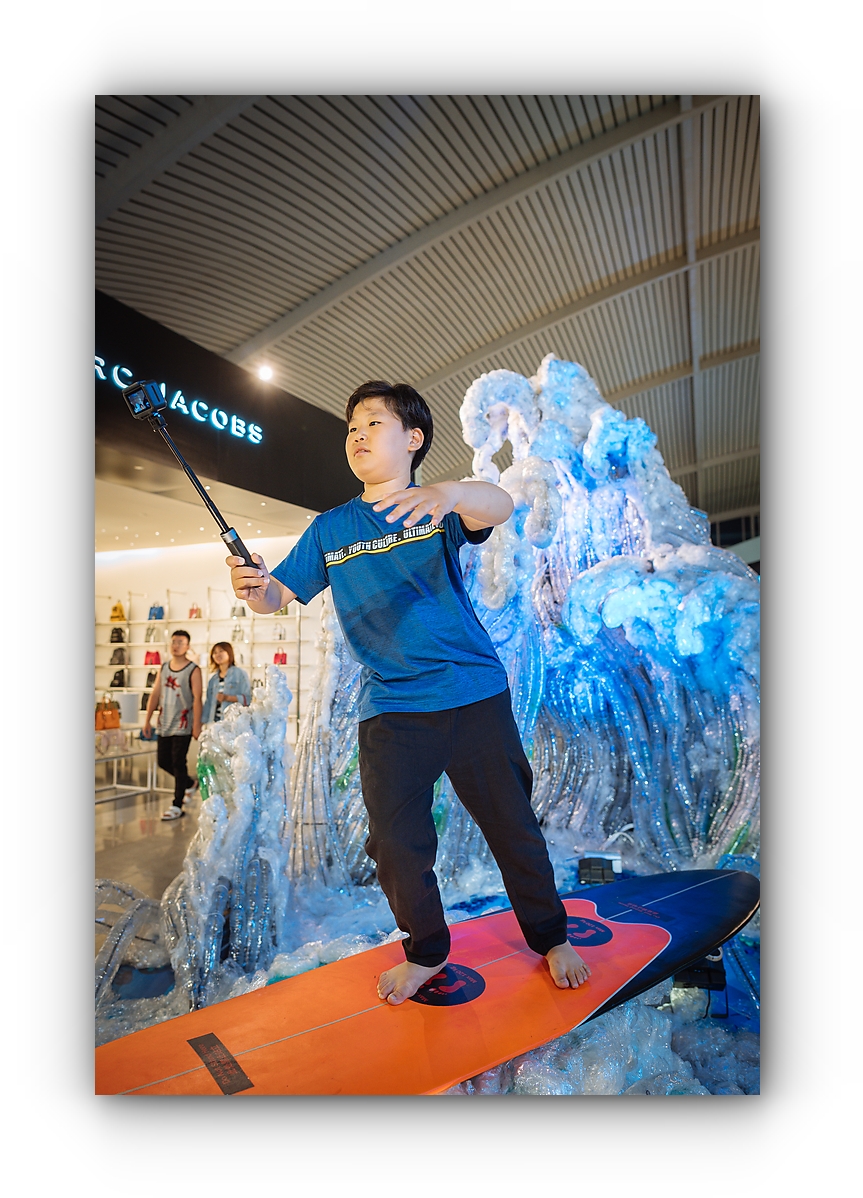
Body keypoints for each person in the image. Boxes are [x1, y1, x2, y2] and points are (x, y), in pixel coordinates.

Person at [227, 381, 590, 1004]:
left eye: (373, 423)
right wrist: (253, 586)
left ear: (413, 438)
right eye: (351, 428)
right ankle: (426, 951)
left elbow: (500, 505)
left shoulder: (435, 506)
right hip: (391, 708)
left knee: (513, 828)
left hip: (472, 694)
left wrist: (449, 494)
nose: (357, 435)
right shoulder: (331, 528)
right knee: (396, 846)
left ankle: (551, 936)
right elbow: (275, 596)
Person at [142, 629, 202, 821]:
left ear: (187, 646)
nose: (176, 646)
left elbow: (197, 698)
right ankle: (190, 784)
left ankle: (177, 805)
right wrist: (147, 719)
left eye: (180, 642)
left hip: (183, 723)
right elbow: (155, 693)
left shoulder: (193, 669)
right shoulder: (164, 667)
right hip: (164, 722)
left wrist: (197, 725)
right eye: (174, 641)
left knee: (178, 762)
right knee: (163, 761)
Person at [202, 641, 251, 725]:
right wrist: (203, 722)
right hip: (215, 723)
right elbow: (208, 703)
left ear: (229, 653)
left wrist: (227, 697)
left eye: (221, 651)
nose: (218, 655)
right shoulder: (213, 679)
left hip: (233, 723)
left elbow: (247, 699)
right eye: (215, 653)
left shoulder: (240, 674)